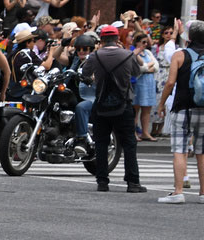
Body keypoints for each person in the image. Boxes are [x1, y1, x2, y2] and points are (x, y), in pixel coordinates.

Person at [81, 24, 144, 193]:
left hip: (101, 103)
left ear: (101, 40)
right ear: (117, 39)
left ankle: (102, 181)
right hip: (123, 104)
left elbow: (85, 74)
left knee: (101, 143)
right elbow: (136, 73)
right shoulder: (127, 54)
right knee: (129, 143)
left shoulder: (95, 56)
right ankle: (133, 182)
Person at [155, 20, 204, 203]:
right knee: (202, 152)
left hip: (183, 107)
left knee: (179, 149)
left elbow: (170, 83)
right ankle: (203, 193)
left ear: (189, 37)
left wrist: (161, 104)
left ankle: (178, 192)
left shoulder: (179, 55)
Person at [132, 32, 159, 141]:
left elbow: (156, 66)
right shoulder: (134, 53)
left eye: (146, 42)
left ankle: (145, 132)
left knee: (147, 108)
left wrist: (147, 68)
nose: (145, 44)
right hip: (139, 83)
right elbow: (140, 68)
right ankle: (133, 132)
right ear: (137, 42)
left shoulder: (148, 52)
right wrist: (149, 67)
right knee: (136, 109)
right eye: (143, 42)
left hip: (149, 83)